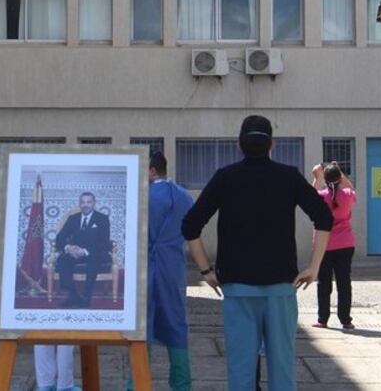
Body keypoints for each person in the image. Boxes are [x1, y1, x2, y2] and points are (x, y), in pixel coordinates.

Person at [182, 115, 334, 391]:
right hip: (280, 290)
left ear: (240, 145)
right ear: (271, 144)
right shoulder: (288, 176)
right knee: (282, 372)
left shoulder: (225, 178)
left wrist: (206, 270)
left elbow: (190, 225)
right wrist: (314, 266)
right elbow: (324, 217)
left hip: (238, 290)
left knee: (240, 373)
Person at [130, 152, 194, 391]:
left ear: (152, 170)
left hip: (145, 266)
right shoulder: (185, 196)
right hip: (174, 267)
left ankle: (136, 383)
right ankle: (181, 384)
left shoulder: (142, 197)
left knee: (141, 326)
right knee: (177, 324)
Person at [310, 162, 357, 330]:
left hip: (324, 245)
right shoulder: (346, 194)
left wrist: (317, 177)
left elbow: (311, 197)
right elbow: (351, 190)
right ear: (338, 178)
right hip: (345, 243)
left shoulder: (322, 196)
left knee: (324, 283)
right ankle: (346, 319)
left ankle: (323, 319)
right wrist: (341, 174)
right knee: (344, 282)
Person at [54, 192, 111, 308]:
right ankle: (73, 295)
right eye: (83, 202)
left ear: (93, 203)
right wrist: (69, 248)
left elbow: (104, 242)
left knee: (94, 261)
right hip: (75, 252)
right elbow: (59, 238)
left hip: (95, 252)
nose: (85, 205)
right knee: (63, 260)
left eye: (88, 202)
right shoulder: (73, 218)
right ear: (79, 204)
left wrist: (84, 251)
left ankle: (86, 297)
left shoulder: (102, 219)